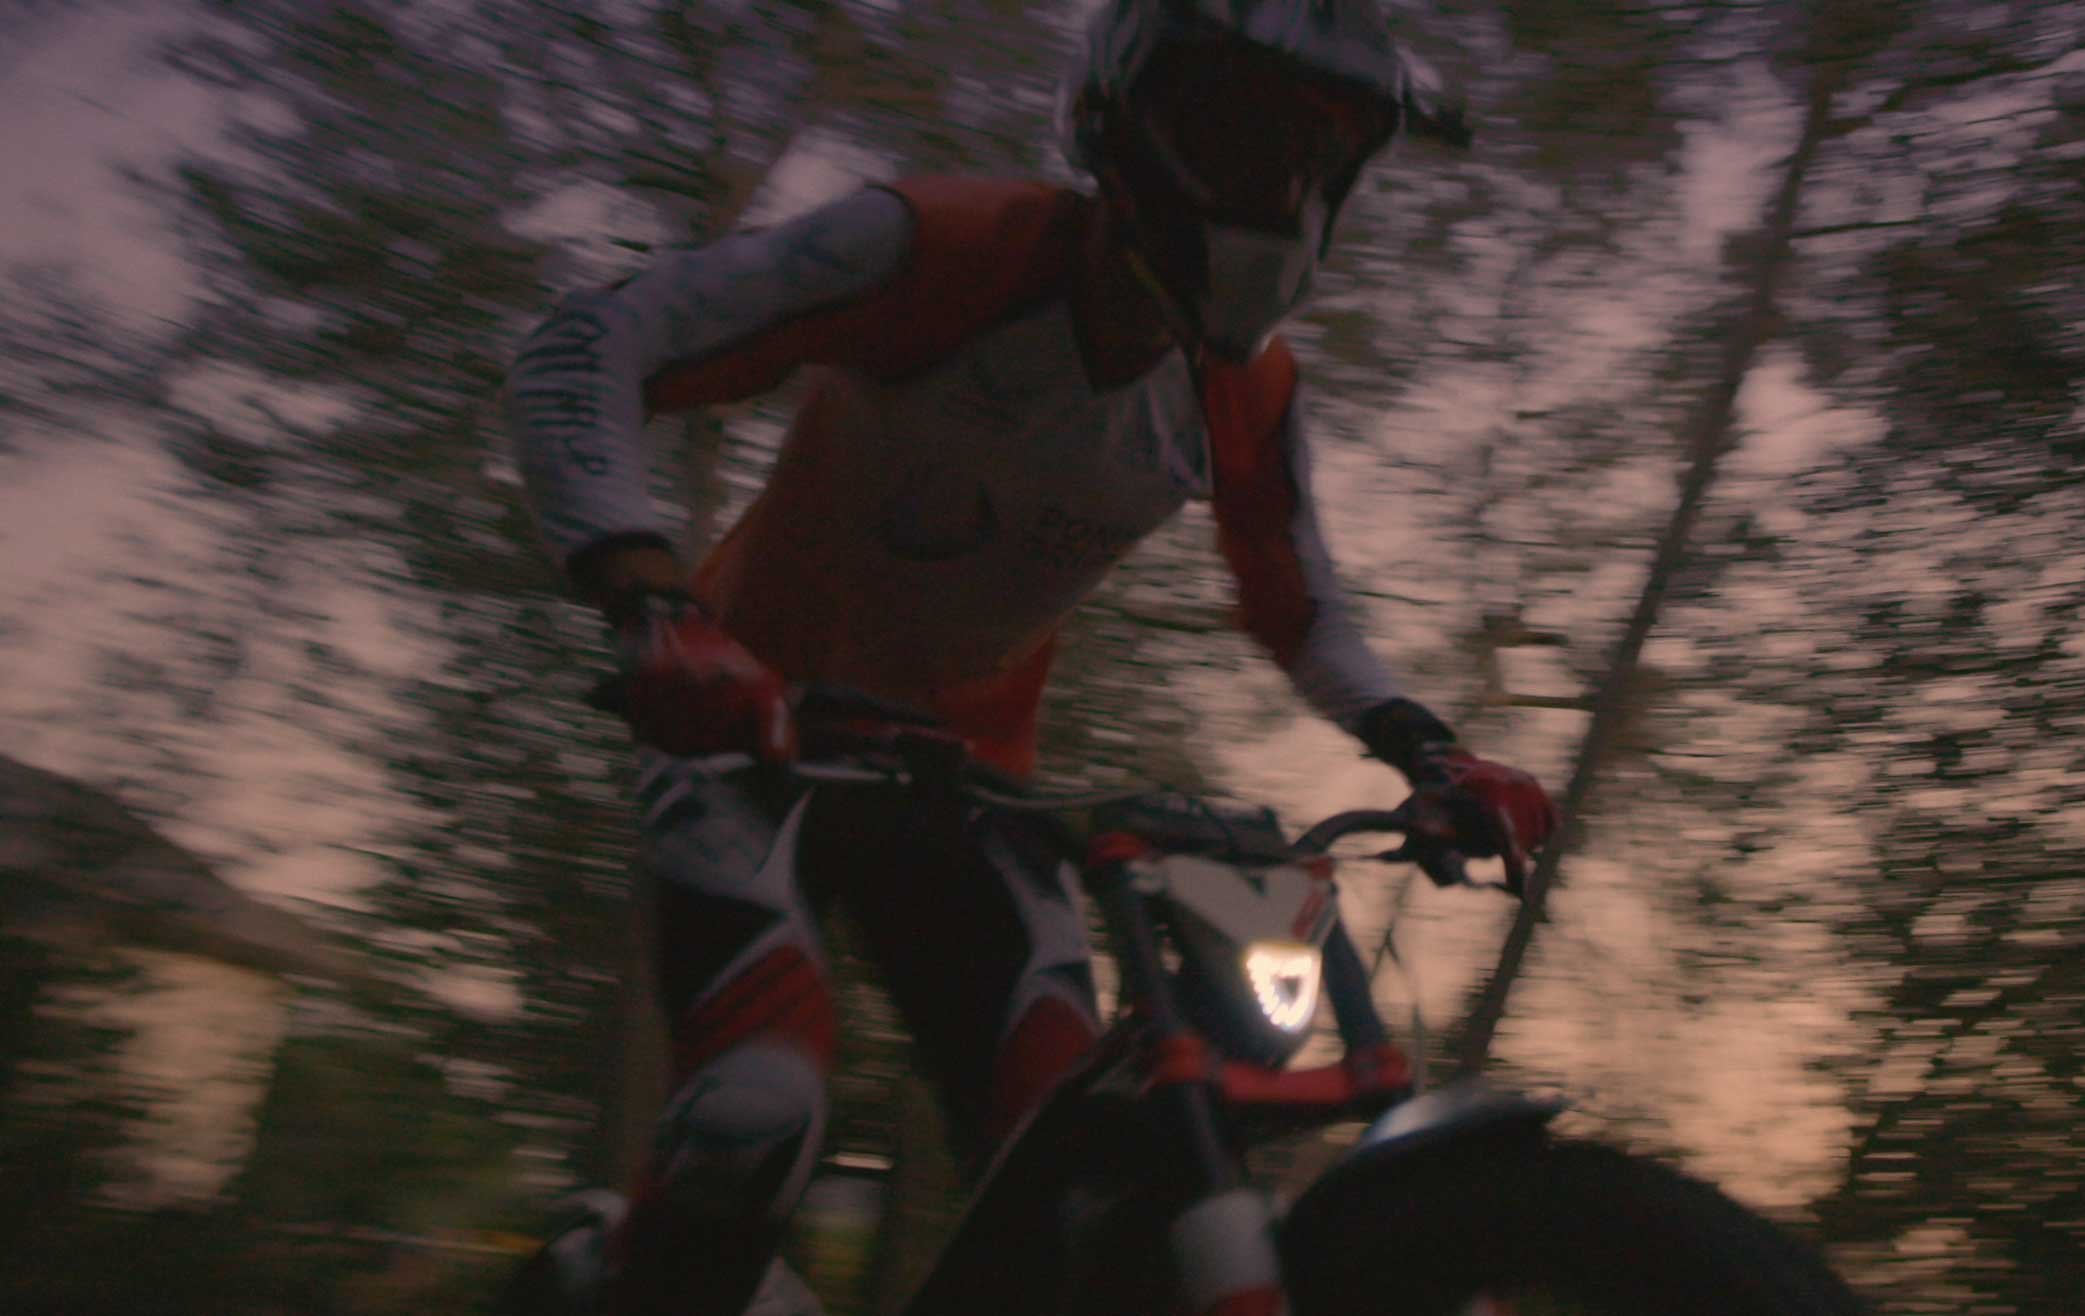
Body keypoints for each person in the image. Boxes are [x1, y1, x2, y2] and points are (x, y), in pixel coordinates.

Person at [498, 0, 1555, 1312]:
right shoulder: (945, 247)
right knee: (751, 1115)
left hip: (970, 786)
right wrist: (655, 606)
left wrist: (1432, 751)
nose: (1272, 189)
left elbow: (1306, 613)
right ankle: (613, 1279)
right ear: (1122, 125)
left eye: (1311, 158)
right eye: (1232, 134)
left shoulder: (1250, 393)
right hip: (748, 739)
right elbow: (589, 340)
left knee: (1087, 1160)